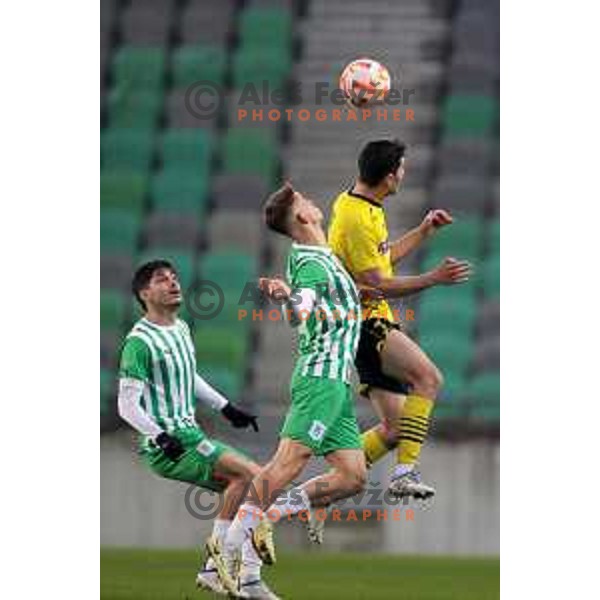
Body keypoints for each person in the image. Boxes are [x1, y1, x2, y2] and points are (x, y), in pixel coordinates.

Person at [223, 184, 368, 599]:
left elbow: (309, 310)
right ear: (303, 218)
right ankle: (230, 547)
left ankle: (251, 572)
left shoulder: (323, 258)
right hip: (320, 377)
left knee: (353, 476)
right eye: (304, 200)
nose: (311, 201)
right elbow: (301, 308)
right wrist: (290, 299)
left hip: (338, 381)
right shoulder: (309, 262)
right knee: (288, 462)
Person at [327, 139, 471, 502]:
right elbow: (379, 285)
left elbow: (382, 261)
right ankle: (405, 474)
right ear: (390, 177)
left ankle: (330, 486)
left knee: (394, 429)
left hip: (365, 319)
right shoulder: (357, 217)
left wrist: (424, 231)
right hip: (365, 322)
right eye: (402, 169)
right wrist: (434, 278)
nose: (404, 175)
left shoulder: (362, 205)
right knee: (429, 378)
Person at [117, 259, 270, 598]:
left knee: (248, 486)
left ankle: (234, 575)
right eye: (162, 280)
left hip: (191, 435)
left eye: (174, 277)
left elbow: (189, 378)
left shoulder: (181, 328)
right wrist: (159, 435)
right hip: (171, 442)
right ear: (145, 293)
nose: (173, 283)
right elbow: (126, 405)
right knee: (251, 477)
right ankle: (219, 566)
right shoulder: (139, 342)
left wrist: (226, 407)